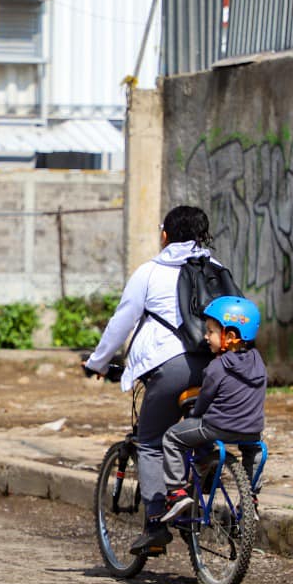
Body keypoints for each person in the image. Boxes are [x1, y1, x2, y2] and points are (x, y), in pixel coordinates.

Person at [83, 205, 223, 553]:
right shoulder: (217, 270)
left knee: (150, 441)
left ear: (165, 236)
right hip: (218, 368)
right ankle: (204, 456)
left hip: (169, 366)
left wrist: (97, 363)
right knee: (193, 432)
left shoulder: (149, 272)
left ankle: (156, 524)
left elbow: (121, 322)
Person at [158, 296, 267, 526]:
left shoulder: (216, 366)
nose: (206, 336)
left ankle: (176, 493)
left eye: (210, 331)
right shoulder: (258, 361)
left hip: (217, 427)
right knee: (255, 452)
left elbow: (204, 402)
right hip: (251, 431)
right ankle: (250, 499)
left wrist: (194, 410)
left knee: (172, 438)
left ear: (230, 336)